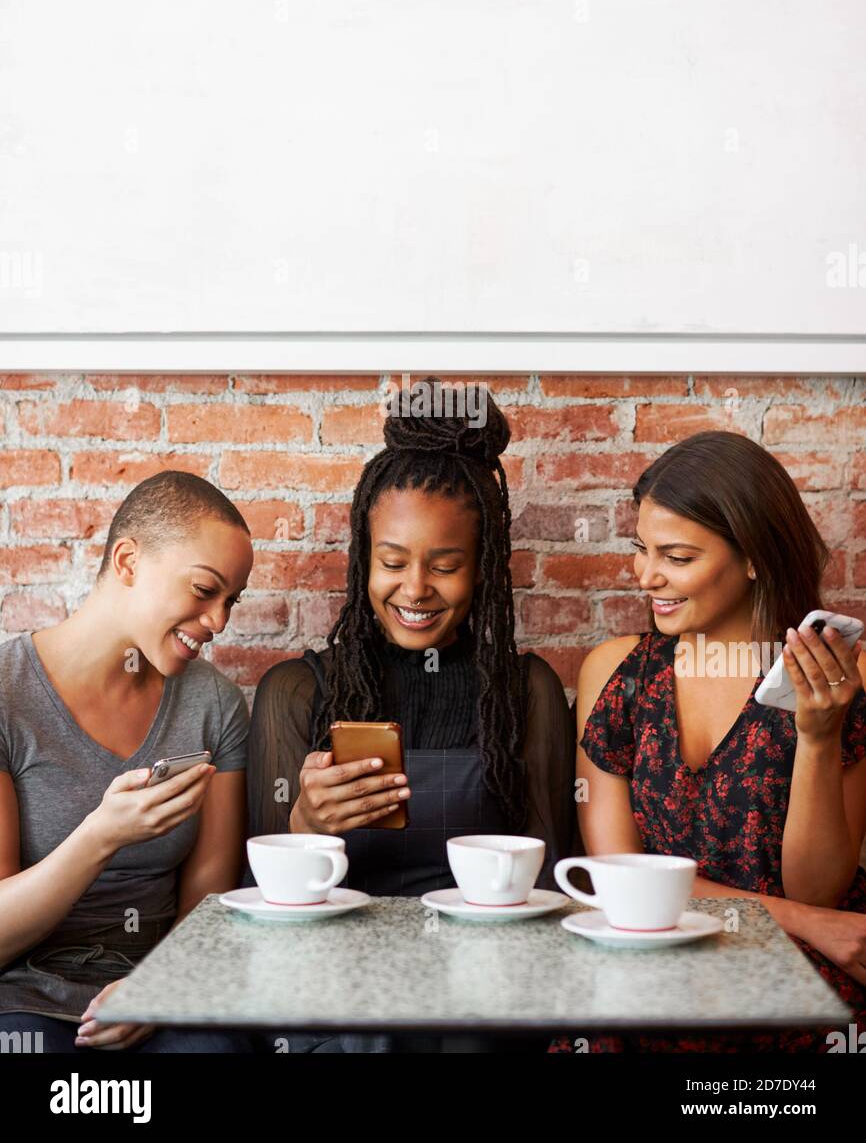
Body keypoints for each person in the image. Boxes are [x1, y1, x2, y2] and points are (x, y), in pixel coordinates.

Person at [246, 378, 576, 1052]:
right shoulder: (297, 693)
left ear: (482, 569)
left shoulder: (526, 692)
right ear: (364, 561)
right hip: (336, 1002)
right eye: (392, 562)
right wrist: (306, 824)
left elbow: (550, 887)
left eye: (446, 566)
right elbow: (254, 906)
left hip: (485, 1000)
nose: (416, 589)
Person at [548, 430, 866, 1053]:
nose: (645, 576)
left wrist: (819, 737)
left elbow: (817, 887)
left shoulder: (838, 675)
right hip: (658, 946)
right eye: (642, 549)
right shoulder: (616, 673)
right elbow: (620, 877)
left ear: (753, 556)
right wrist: (814, 926)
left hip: (798, 971)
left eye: (677, 557)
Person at [0, 470, 257, 1052]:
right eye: (204, 590)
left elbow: (208, 906)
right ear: (127, 561)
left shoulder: (214, 704)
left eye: (230, 601)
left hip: (169, 991)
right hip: (26, 1000)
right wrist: (102, 836)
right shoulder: (7, 694)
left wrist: (157, 985)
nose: (219, 622)